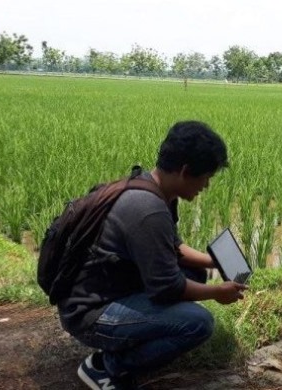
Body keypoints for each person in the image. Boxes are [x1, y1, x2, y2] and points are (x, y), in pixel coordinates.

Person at [57, 121, 247, 390]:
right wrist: (217, 292)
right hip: (90, 314)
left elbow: (174, 249)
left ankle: (131, 344)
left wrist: (214, 261)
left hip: (103, 291)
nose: (206, 186)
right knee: (198, 324)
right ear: (184, 171)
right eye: (206, 177)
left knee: (195, 273)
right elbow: (167, 288)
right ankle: (106, 367)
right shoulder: (149, 209)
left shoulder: (153, 189)